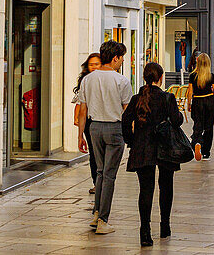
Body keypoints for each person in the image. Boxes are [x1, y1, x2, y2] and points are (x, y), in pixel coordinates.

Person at [122, 62, 183, 247]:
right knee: (166, 187)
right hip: (165, 149)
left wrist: (132, 141)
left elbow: (125, 122)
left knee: (145, 190)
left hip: (143, 149)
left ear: (144, 78)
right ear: (161, 78)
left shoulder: (136, 98)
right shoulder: (168, 98)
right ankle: (165, 226)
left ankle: (145, 232)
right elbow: (177, 120)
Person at [76, 40, 132, 235]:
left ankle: (96, 212)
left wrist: (80, 136)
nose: (122, 61)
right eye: (122, 58)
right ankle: (103, 220)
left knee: (100, 172)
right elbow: (127, 111)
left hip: (94, 128)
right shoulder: (121, 81)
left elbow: (82, 110)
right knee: (109, 175)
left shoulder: (88, 79)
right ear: (115, 58)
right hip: (114, 129)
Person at [72, 52, 101, 194]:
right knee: (93, 153)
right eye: (91, 65)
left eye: (97, 64)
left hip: (102, 119)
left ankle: (102, 181)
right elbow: (78, 102)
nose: (94, 67)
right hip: (89, 121)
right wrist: (77, 119)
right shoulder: (85, 80)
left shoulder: (105, 79)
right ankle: (96, 182)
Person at [185, 53, 214, 161]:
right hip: (209, 101)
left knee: (198, 124)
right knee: (209, 127)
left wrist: (189, 103)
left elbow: (190, 92)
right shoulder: (211, 76)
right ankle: (206, 153)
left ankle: (197, 141)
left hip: (197, 101)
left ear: (197, 63)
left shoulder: (192, 76)